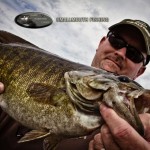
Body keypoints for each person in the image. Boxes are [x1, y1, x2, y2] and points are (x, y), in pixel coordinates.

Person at [0, 19, 150, 150]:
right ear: (101, 43)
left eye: (134, 54)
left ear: (140, 72)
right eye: (116, 41)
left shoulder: (140, 128)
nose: (121, 53)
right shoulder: (43, 73)